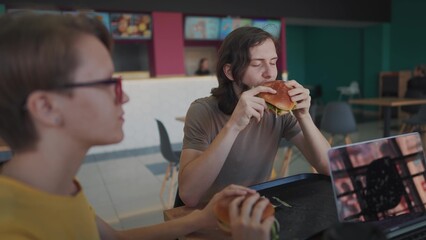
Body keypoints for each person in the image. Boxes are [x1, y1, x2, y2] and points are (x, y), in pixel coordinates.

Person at [0, 13, 274, 240]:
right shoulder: (13, 227)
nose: (125, 96)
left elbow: (113, 238)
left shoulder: (54, 187)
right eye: (107, 84)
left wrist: (200, 219)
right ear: (46, 107)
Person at [178, 26, 331, 207]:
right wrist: (234, 126)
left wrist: (304, 116)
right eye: (257, 64)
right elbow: (189, 195)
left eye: (273, 62)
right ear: (230, 72)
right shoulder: (202, 111)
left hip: (255, 208)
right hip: (208, 215)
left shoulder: (277, 112)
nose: (270, 73)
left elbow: (329, 168)